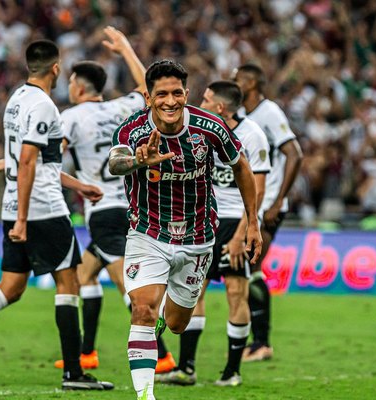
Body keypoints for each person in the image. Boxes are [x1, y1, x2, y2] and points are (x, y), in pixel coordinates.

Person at [0, 39, 113, 391]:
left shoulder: (16, 100)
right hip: (40, 209)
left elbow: (36, 163)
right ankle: (73, 372)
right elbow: (27, 161)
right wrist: (26, 219)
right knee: (68, 283)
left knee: (10, 288)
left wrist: (77, 185)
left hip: (13, 204)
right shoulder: (44, 106)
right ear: (55, 68)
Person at [108, 60, 263, 400]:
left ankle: (162, 319)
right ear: (148, 97)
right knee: (143, 308)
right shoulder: (132, 131)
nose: (169, 101)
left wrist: (252, 222)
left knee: (177, 324)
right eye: (161, 94)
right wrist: (138, 160)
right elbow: (115, 163)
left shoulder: (210, 127)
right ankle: (145, 396)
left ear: (186, 93)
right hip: (148, 234)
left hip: (198, 239)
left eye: (176, 93)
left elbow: (242, 166)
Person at [53, 27, 175, 373]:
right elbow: (147, 89)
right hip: (133, 206)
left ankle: (162, 355)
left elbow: (48, 157)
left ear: (78, 87)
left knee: (129, 287)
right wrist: (126, 48)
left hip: (104, 210)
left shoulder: (70, 118)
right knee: (84, 275)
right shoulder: (124, 107)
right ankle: (87, 352)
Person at [157, 80, 270, 386]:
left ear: (220, 107)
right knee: (194, 291)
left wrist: (242, 233)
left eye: (206, 99)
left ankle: (232, 372)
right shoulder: (201, 130)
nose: (200, 103)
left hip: (235, 222)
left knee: (236, 292)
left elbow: (257, 189)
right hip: (204, 220)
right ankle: (186, 368)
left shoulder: (253, 135)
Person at [234, 64, 303, 362]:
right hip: (251, 204)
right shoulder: (243, 118)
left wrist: (278, 201)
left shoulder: (269, 112)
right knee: (248, 269)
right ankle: (257, 340)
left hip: (269, 204)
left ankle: (261, 341)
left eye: (238, 79)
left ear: (251, 82)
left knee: (252, 267)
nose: (235, 83)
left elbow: (295, 154)